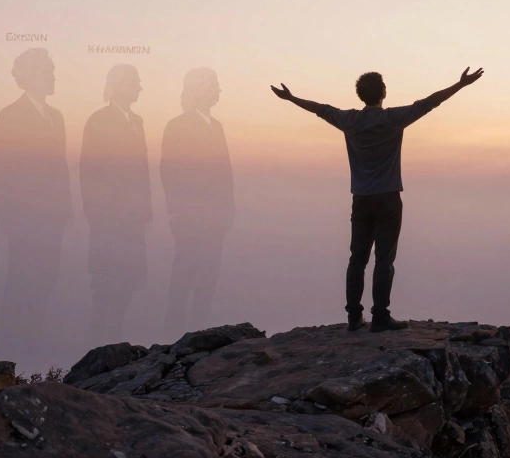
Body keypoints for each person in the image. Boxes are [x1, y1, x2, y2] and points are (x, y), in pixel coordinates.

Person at [271, 67, 483, 332]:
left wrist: (291, 98)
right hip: (388, 198)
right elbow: (430, 102)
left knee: (357, 258)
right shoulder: (393, 118)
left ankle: (354, 317)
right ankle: (380, 317)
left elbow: (320, 109)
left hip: (361, 199)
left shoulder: (349, 120)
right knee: (384, 259)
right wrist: (460, 85)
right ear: (383, 92)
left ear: (360, 95)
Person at [0, 48, 72, 355]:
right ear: (27, 77)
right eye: (46, 71)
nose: (53, 77)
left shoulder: (56, 117)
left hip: (52, 218)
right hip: (24, 219)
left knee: (46, 279)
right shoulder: (10, 115)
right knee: (21, 283)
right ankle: (10, 350)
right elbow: (3, 169)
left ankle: (32, 345)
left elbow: (61, 165)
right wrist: (10, 218)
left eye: (53, 71)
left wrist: (66, 207)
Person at [80, 64, 153, 344]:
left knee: (128, 279)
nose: (139, 87)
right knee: (107, 279)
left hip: (133, 217)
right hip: (109, 218)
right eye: (133, 82)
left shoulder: (137, 121)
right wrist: (98, 213)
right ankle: (99, 341)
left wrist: (146, 209)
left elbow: (142, 168)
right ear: (116, 86)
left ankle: (115, 337)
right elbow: (89, 170)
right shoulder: (98, 120)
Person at [160, 67, 234, 339]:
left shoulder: (217, 126)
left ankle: (198, 333)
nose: (218, 90)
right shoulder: (177, 125)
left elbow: (225, 172)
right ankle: (172, 336)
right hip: (190, 220)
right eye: (213, 84)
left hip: (216, 219)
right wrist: (179, 213)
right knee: (184, 278)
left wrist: (228, 211)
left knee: (208, 278)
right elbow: (169, 171)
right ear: (198, 89)